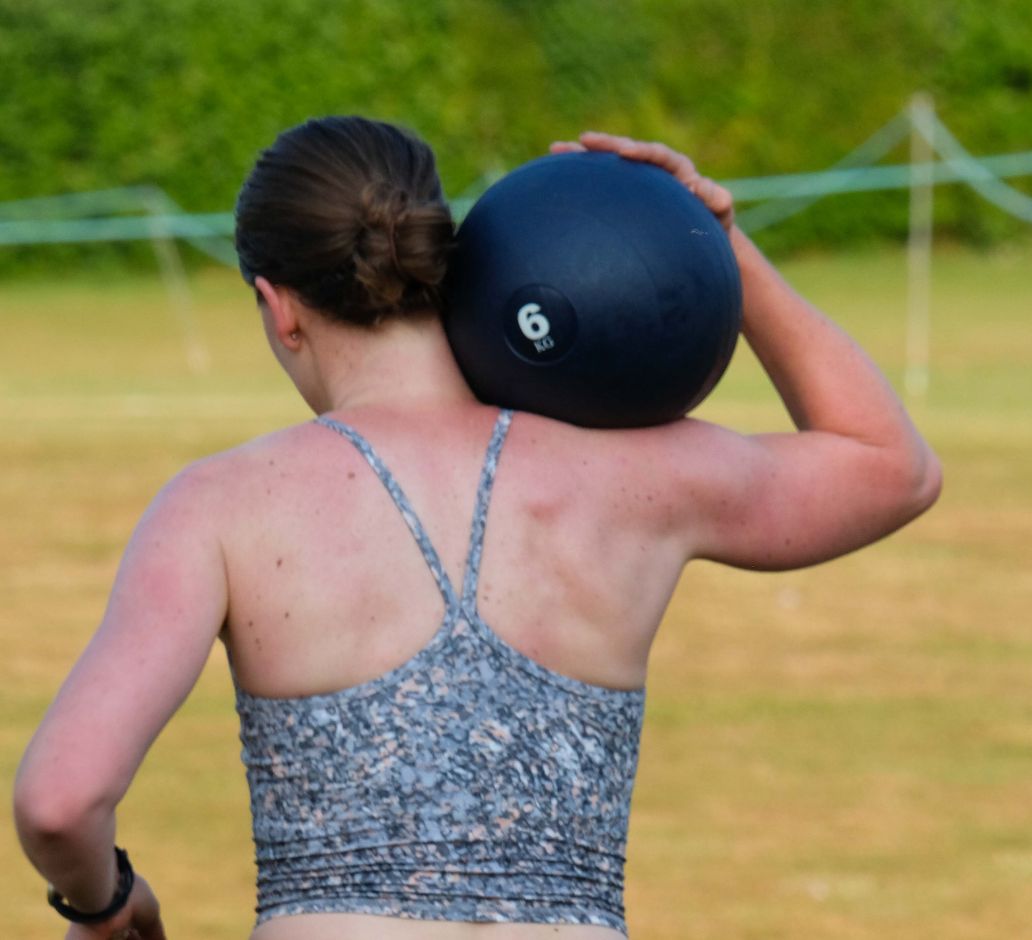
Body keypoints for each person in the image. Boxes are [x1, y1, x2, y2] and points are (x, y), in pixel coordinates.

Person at [13, 117, 941, 940]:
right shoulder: (634, 474)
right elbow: (894, 469)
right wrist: (716, 240)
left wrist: (104, 905)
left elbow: (60, 801)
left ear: (278, 306)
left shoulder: (220, 504)